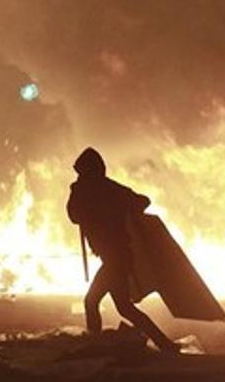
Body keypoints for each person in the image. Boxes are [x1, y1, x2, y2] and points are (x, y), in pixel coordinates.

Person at [66, 147, 179, 353]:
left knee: (92, 302)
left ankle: (95, 345)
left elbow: (141, 202)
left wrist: (108, 209)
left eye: (82, 173)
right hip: (115, 258)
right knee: (124, 308)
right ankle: (165, 344)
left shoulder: (104, 190)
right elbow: (75, 216)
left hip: (116, 259)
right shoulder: (102, 190)